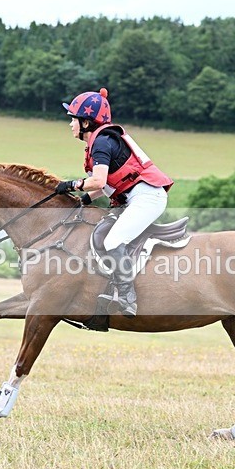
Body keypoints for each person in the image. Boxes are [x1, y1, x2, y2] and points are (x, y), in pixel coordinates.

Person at [55, 88, 173, 317]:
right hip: (135, 197)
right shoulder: (101, 141)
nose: (71, 124)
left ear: (86, 123)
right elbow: (103, 186)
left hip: (147, 198)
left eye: (73, 119)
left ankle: (127, 297)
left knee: (114, 241)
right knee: (100, 234)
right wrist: (82, 200)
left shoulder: (102, 143)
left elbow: (97, 180)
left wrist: (70, 185)